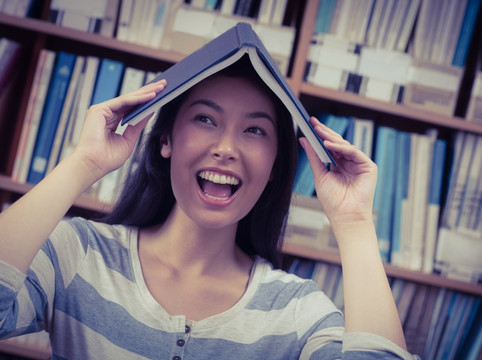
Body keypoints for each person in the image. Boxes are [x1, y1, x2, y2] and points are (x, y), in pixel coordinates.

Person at [0, 56, 418, 359]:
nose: (226, 149)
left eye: (254, 130)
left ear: (275, 166)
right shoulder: (80, 253)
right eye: (205, 119)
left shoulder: (295, 312)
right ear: (166, 140)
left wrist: (355, 221)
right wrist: (83, 163)